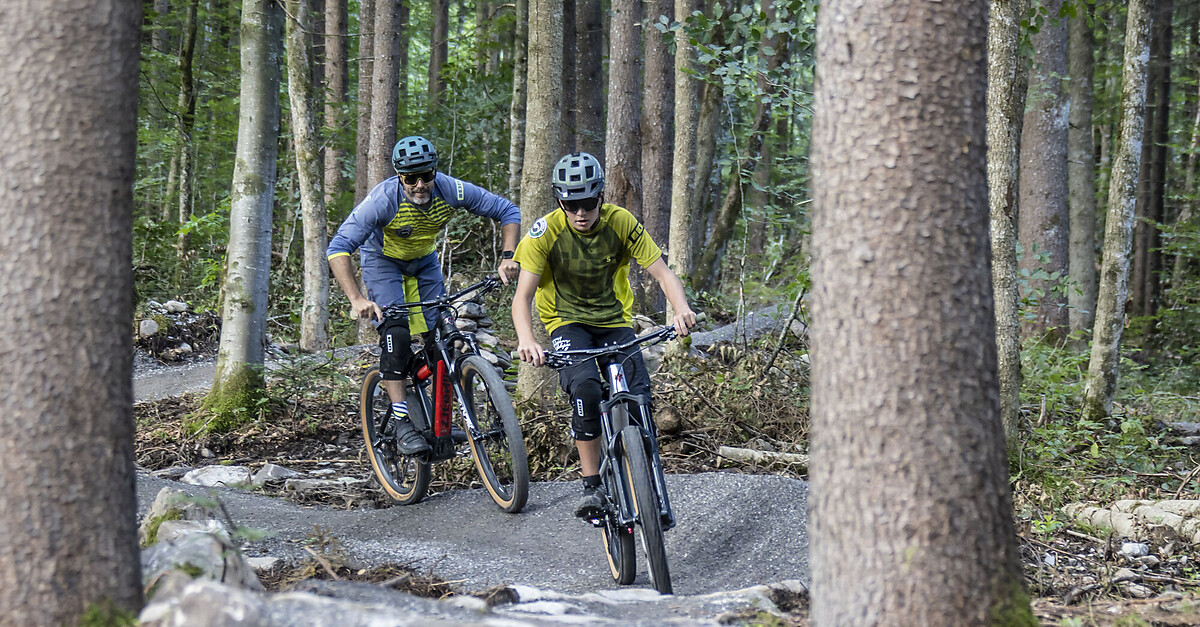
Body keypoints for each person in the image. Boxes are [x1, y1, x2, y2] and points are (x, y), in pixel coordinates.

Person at [511, 151, 696, 518]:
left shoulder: (621, 222)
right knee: (586, 390)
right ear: (560, 201)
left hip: (613, 320)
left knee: (638, 396)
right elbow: (523, 297)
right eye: (570, 204)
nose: (580, 212)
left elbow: (663, 274)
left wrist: (680, 309)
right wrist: (527, 340)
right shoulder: (545, 232)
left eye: (588, 203)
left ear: (600, 197)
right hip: (566, 322)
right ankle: (592, 486)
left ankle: (649, 486)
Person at [328, 135, 521, 456]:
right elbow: (338, 248)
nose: (420, 184)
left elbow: (507, 210)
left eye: (426, 175)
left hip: (424, 262)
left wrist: (508, 255)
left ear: (435, 171)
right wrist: (357, 299)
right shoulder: (383, 200)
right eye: (410, 178)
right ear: (398, 176)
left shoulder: (451, 190)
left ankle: (437, 417)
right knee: (398, 336)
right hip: (383, 261)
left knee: (443, 338)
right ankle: (401, 422)